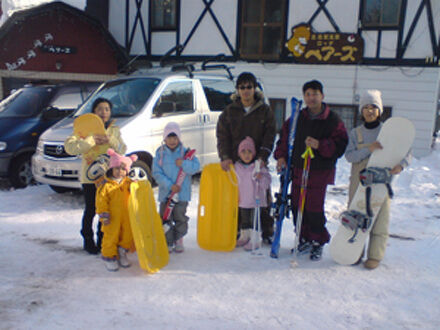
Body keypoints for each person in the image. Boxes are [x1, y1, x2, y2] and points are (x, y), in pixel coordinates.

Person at [274, 80, 348, 261]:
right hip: (299, 167)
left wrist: (320, 145)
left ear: (322, 96)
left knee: (313, 207)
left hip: (319, 170)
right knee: (298, 205)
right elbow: (285, 138)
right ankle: (303, 238)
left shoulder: (332, 120)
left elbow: (340, 145)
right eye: (307, 94)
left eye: (315, 94)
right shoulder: (297, 117)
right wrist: (281, 156)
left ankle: (317, 241)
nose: (311, 98)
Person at [345, 90, 410, 269]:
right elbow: (349, 156)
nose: (369, 111)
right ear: (361, 111)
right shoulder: (355, 133)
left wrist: (401, 165)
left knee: (380, 218)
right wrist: (369, 150)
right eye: (365, 107)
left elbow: (407, 152)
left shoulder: (389, 131)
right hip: (359, 181)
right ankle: (354, 251)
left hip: (382, 181)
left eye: (373, 107)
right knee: (356, 216)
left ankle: (375, 255)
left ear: (380, 110)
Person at [216, 72, 276, 244]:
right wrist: (225, 156)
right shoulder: (229, 112)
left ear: (254, 88)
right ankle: (239, 230)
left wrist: (263, 156)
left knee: (261, 196)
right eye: (242, 87)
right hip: (237, 164)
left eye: (249, 87)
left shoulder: (264, 111)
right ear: (237, 90)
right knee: (239, 198)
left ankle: (266, 230)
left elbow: (270, 134)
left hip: (257, 163)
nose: (246, 91)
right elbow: (222, 136)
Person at [65, 98, 127, 254]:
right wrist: (91, 140)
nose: (104, 112)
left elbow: (122, 149)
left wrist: (110, 140)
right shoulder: (84, 129)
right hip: (90, 178)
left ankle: (103, 239)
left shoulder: (114, 130)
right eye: (100, 109)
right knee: (91, 209)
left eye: (107, 109)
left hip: (109, 178)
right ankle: (87, 239)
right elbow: (70, 147)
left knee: (106, 210)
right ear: (93, 112)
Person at [152, 122, 200, 253]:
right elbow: (156, 173)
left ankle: (179, 239)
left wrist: (184, 163)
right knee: (165, 219)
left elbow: (196, 167)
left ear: (179, 138)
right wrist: (169, 185)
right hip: (166, 195)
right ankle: (167, 241)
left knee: (180, 217)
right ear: (164, 138)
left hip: (182, 194)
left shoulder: (186, 153)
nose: (172, 141)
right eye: (169, 137)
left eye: (175, 137)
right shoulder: (160, 154)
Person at [96, 149, 138, 271]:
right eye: (117, 169)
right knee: (111, 237)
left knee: (127, 235)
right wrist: (103, 214)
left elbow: (137, 194)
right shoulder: (106, 185)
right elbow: (101, 201)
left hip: (126, 216)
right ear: (111, 169)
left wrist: (136, 187)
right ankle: (109, 257)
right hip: (111, 217)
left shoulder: (129, 183)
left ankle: (122, 253)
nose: (120, 172)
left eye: (123, 169)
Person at [234, 137, 271, 251]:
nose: (246, 155)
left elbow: (267, 181)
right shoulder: (237, 167)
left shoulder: (258, 166)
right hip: (243, 199)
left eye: (249, 152)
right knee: (245, 219)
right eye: (243, 152)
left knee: (254, 219)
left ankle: (255, 239)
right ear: (239, 154)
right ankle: (245, 236)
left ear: (253, 153)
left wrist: (261, 178)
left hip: (255, 199)